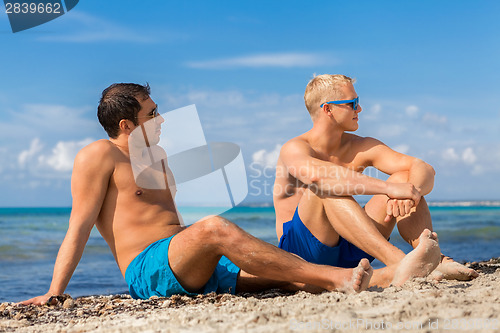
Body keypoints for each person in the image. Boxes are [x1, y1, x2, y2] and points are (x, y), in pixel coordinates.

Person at [21, 83, 439, 306]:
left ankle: (402, 274)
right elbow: (78, 227)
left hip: (191, 262)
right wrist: (56, 291)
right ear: (127, 125)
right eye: (152, 113)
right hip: (149, 269)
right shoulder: (96, 156)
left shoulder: (156, 154)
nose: (161, 118)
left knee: (293, 275)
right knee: (215, 227)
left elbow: (164, 217)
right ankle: (342, 278)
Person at [273, 74, 478, 287]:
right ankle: (399, 261)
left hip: (350, 249)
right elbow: (318, 177)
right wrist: (390, 188)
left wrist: (410, 192)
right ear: (328, 109)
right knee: (324, 186)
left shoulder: (360, 146)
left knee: (404, 178)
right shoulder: (295, 148)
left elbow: (423, 168)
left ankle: (433, 260)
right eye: (352, 104)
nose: (359, 109)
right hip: (303, 255)